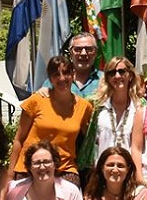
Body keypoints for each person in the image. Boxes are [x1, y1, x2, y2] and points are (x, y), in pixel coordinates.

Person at [9, 55, 94, 188]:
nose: (62, 78)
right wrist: (10, 175)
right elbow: (19, 139)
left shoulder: (84, 107)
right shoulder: (37, 100)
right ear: (50, 78)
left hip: (64, 169)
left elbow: (90, 141)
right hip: (30, 168)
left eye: (66, 73)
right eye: (56, 74)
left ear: (73, 74)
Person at [78, 56, 143, 171]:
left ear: (130, 75)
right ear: (107, 78)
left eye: (121, 71)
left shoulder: (141, 106)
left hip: (131, 172)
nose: (117, 76)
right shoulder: (95, 105)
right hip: (101, 173)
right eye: (112, 73)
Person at [42, 32, 101, 99]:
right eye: (78, 49)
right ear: (70, 52)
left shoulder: (106, 80)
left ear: (96, 52)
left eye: (89, 49)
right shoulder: (54, 81)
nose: (83, 53)